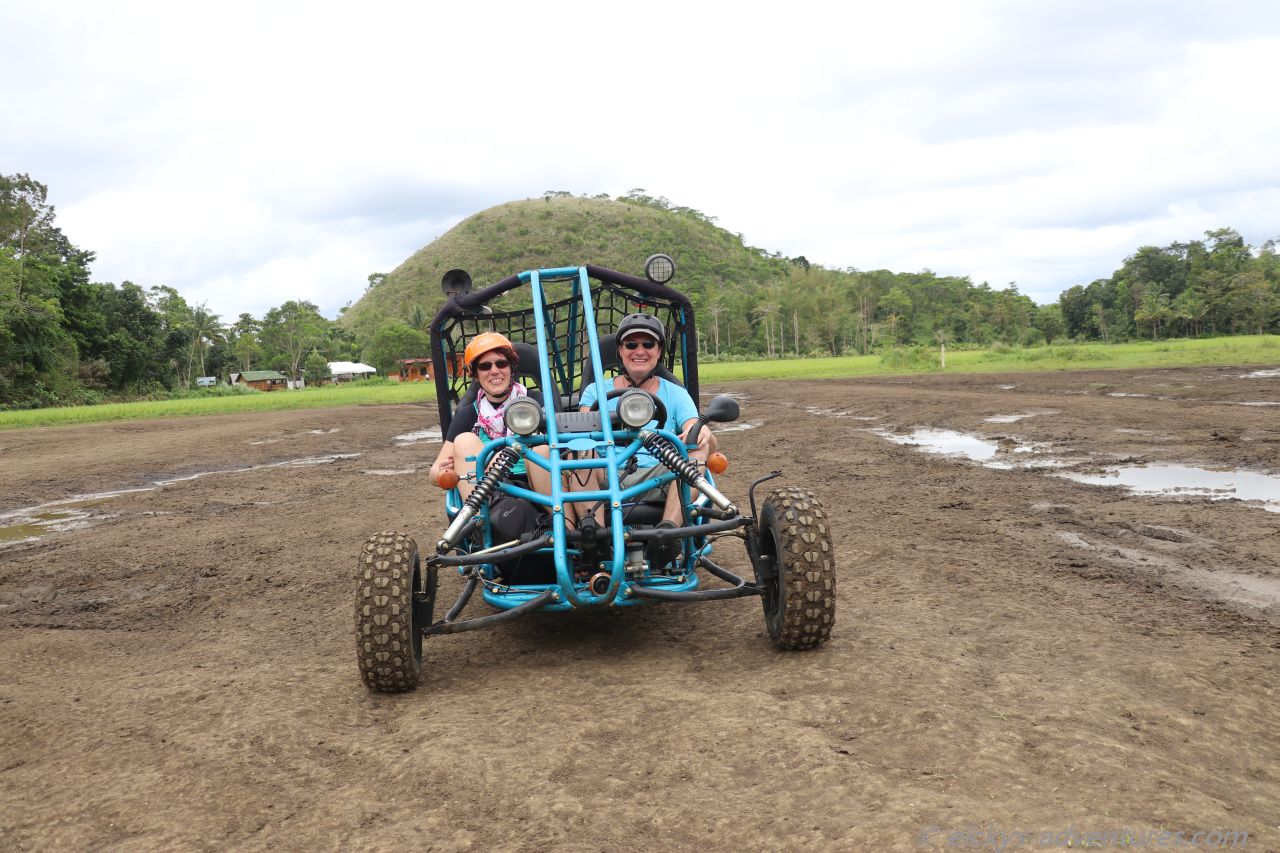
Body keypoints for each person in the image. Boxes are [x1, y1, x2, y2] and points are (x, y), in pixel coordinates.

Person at [568, 313, 718, 535]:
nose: (640, 351)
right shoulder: (595, 391)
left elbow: (695, 429)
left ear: (658, 351)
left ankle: (668, 534)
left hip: (657, 474)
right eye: (631, 344)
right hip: (607, 474)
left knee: (698, 448)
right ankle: (595, 536)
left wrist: (702, 432)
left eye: (648, 344)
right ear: (620, 350)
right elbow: (583, 434)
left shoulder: (676, 393)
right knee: (579, 451)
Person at [429, 332, 553, 536]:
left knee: (540, 450)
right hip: (492, 492)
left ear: (511, 368)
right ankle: (481, 527)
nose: (494, 371)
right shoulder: (468, 414)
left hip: (539, 488)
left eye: (501, 363)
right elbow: (434, 473)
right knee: (465, 441)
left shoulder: (536, 402)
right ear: (475, 374)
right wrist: (443, 473)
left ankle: (567, 533)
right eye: (485, 366)